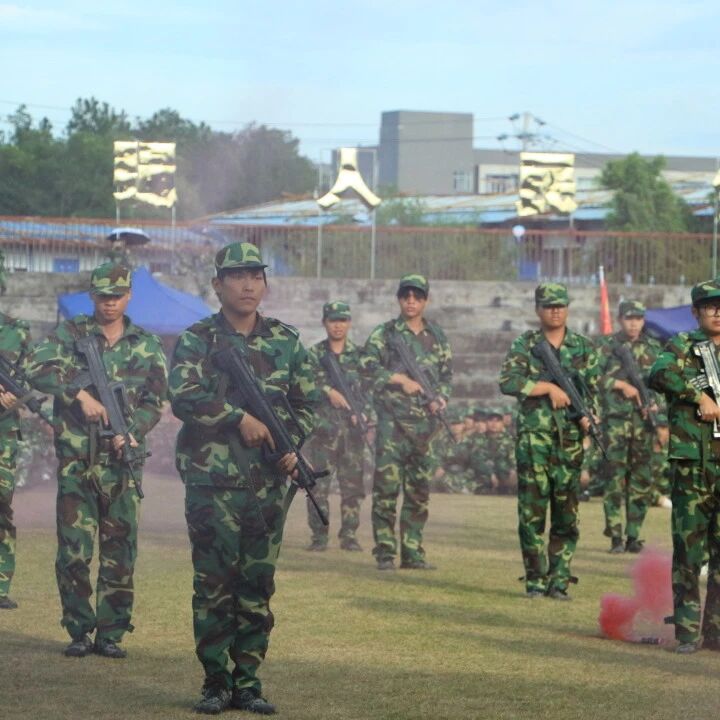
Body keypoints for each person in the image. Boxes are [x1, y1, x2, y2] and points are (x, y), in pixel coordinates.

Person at [168, 241, 318, 714]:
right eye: (237, 276)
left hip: (266, 486)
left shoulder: (286, 341)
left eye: (256, 275)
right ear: (218, 284)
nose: (248, 285)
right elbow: (183, 396)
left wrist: (287, 443)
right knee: (213, 587)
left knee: (256, 587)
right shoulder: (197, 339)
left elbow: (308, 403)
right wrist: (237, 418)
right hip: (212, 485)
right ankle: (215, 682)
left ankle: (248, 683)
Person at [25, 263, 167, 657]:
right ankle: (78, 631)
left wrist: (133, 430)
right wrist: (78, 394)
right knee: (73, 551)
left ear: (129, 295)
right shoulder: (70, 334)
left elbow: (156, 399)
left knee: (120, 552)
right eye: (103, 296)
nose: (110, 302)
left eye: (117, 295)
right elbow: (35, 368)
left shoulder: (146, 344)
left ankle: (111, 634)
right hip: (77, 462)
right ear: (92, 296)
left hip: (122, 464)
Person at [499, 282, 599, 600]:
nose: (555, 311)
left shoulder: (584, 347)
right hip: (535, 441)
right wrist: (546, 388)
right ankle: (535, 580)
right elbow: (508, 381)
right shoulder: (525, 344)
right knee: (532, 513)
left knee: (566, 514)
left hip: (569, 442)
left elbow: (592, 391)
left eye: (560, 305)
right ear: (538, 309)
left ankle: (559, 581)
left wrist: (589, 418)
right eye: (549, 306)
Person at [361, 273, 452, 571]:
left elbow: (446, 375)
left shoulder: (437, 336)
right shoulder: (384, 333)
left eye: (417, 296)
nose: (411, 301)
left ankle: (413, 552)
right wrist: (398, 379)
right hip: (392, 425)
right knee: (386, 490)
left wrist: (441, 398)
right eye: (406, 296)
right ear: (399, 299)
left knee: (418, 492)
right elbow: (365, 367)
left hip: (425, 427)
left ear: (426, 300)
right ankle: (385, 554)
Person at [648, 277, 720, 654]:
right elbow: (659, 374)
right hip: (693, 465)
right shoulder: (681, 345)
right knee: (689, 552)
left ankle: (716, 632)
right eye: (710, 306)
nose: (718, 313)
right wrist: (698, 396)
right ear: (695, 312)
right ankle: (688, 633)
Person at [597, 300, 666, 553]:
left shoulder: (654, 348)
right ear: (620, 320)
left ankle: (633, 535)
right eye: (629, 318)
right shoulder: (606, 346)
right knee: (613, 479)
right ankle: (615, 537)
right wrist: (619, 385)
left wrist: (656, 404)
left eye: (638, 318)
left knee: (641, 480)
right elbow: (590, 376)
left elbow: (663, 382)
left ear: (644, 321)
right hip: (615, 423)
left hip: (643, 424)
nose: (634, 323)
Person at [305, 301, 369, 551]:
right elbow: (302, 385)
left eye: (342, 320)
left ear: (349, 323)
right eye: (333, 320)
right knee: (318, 487)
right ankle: (319, 537)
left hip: (352, 435)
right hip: (323, 433)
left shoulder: (361, 356)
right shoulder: (313, 354)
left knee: (352, 487)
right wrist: (327, 391)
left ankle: (349, 536)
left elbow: (370, 391)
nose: (338, 325)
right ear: (325, 323)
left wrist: (363, 414)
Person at [0, 310, 32, 609]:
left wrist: (15, 396)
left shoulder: (17, 330)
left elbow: (32, 376)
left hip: (3, 434)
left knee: (1, 507)